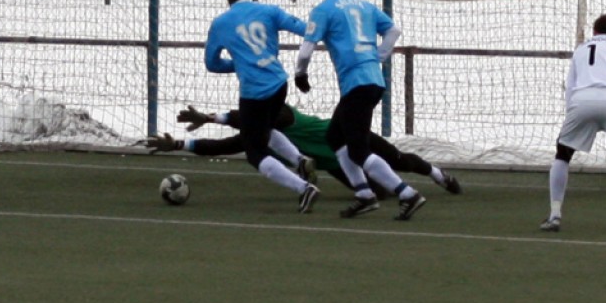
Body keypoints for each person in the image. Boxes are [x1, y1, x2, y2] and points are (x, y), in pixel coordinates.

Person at [293, 0, 425, 220]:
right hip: (373, 80)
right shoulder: (364, 5)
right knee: (335, 137)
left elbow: (306, 49)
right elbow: (393, 31)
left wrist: (300, 74)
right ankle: (364, 193)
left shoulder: (324, 9)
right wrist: (378, 57)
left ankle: (407, 194)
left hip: (357, 84)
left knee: (358, 149)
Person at [147, 103, 462, 198]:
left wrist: (212, 117)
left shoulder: (282, 114)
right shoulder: (260, 134)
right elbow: (222, 146)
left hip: (347, 136)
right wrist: (177, 144)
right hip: (334, 164)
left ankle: (438, 175)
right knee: (380, 194)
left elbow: (251, 118)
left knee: (399, 161)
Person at [204, 0, 320, 213]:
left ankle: (304, 189)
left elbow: (212, 63)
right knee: (265, 129)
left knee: (255, 152)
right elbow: (303, 28)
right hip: (279, 84)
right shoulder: (270, 11)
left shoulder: (221, 23)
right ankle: (299, 161)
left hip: (254, 94)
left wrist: (239, 63)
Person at [542, 13, 606, 233]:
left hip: (583, 99)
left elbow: (570, 86)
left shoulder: (581, 48)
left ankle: (554, 214)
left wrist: (571, 112)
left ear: (595, 32)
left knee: (562, 155)